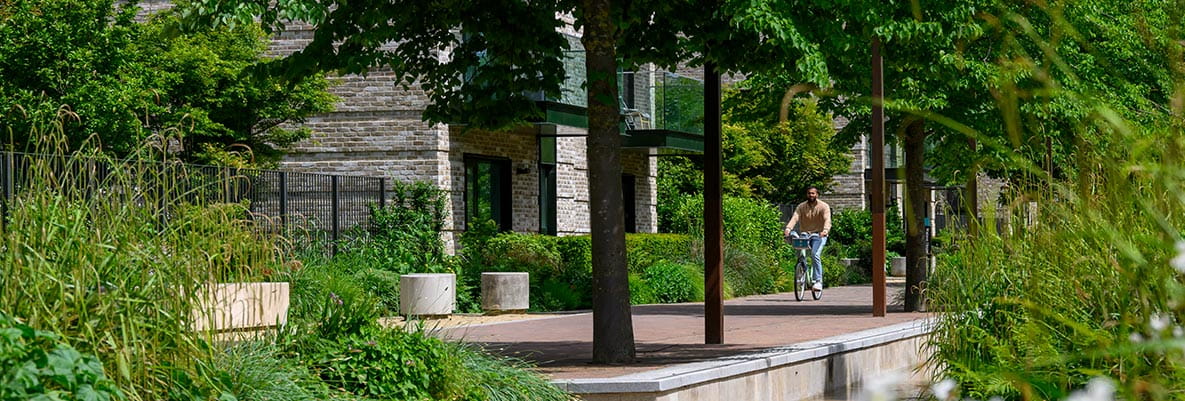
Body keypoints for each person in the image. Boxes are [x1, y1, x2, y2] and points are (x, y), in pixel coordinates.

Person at [783, 187, 831, 291]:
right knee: (799, 249)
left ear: (817, 194)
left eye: (813, 193)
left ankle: (818, 281)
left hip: (819, 235)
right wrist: (788, 228)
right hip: (805, 234)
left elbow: (827, 219)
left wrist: (825, 230)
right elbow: (795, 217)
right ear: (807, 194)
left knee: (815, 255)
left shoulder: (824, 206)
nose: (811, 195)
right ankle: (802, 266)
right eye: (809, 193)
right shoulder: (801, 206)